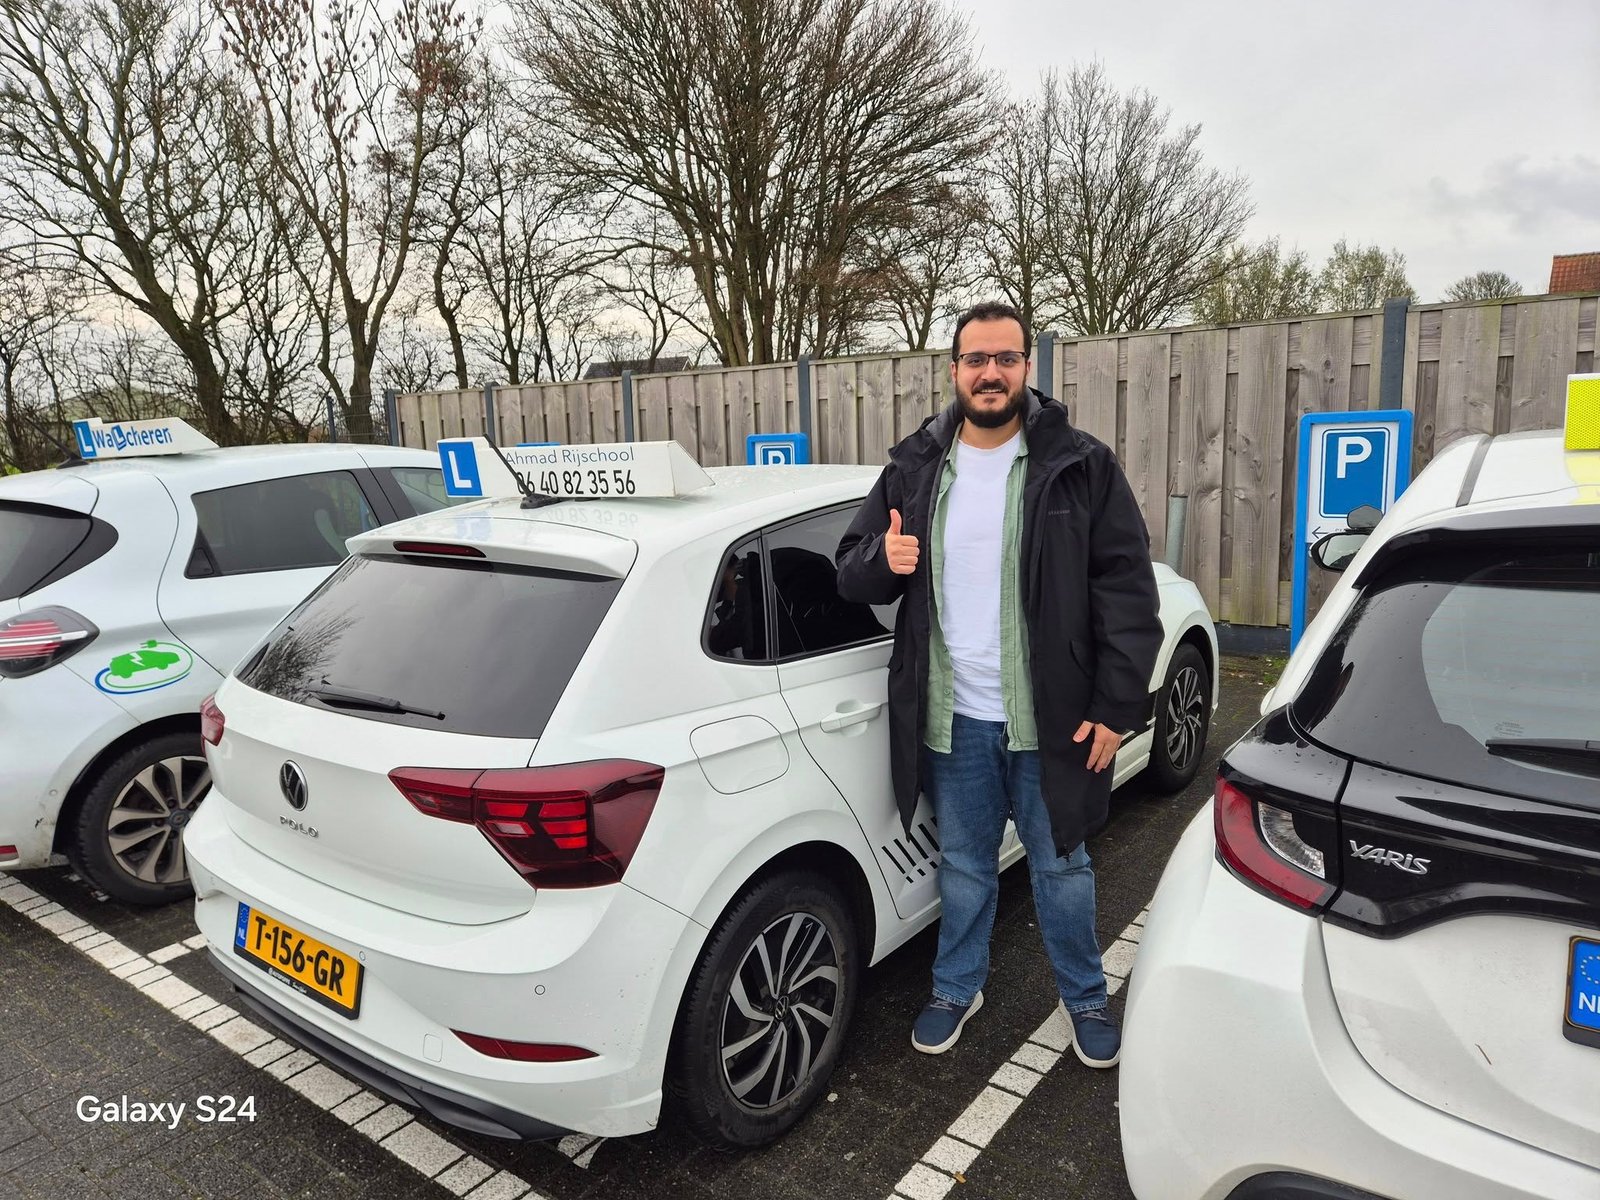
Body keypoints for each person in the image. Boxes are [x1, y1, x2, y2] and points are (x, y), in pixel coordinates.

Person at [835, 300, 1162, 1067]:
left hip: (1054, 721)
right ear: (954, 370)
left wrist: (1116, 705)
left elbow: (1126, 590)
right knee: (963, 868)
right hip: (954, 721)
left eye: (1005, 358)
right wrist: (886, 561)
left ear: (1026, 368)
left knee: (1062, 867)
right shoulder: (914, 467)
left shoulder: (1080, 465)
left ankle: (1086, 998)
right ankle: (957, 986)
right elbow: (851, 573)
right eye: (976, 359)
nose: (990, 373)